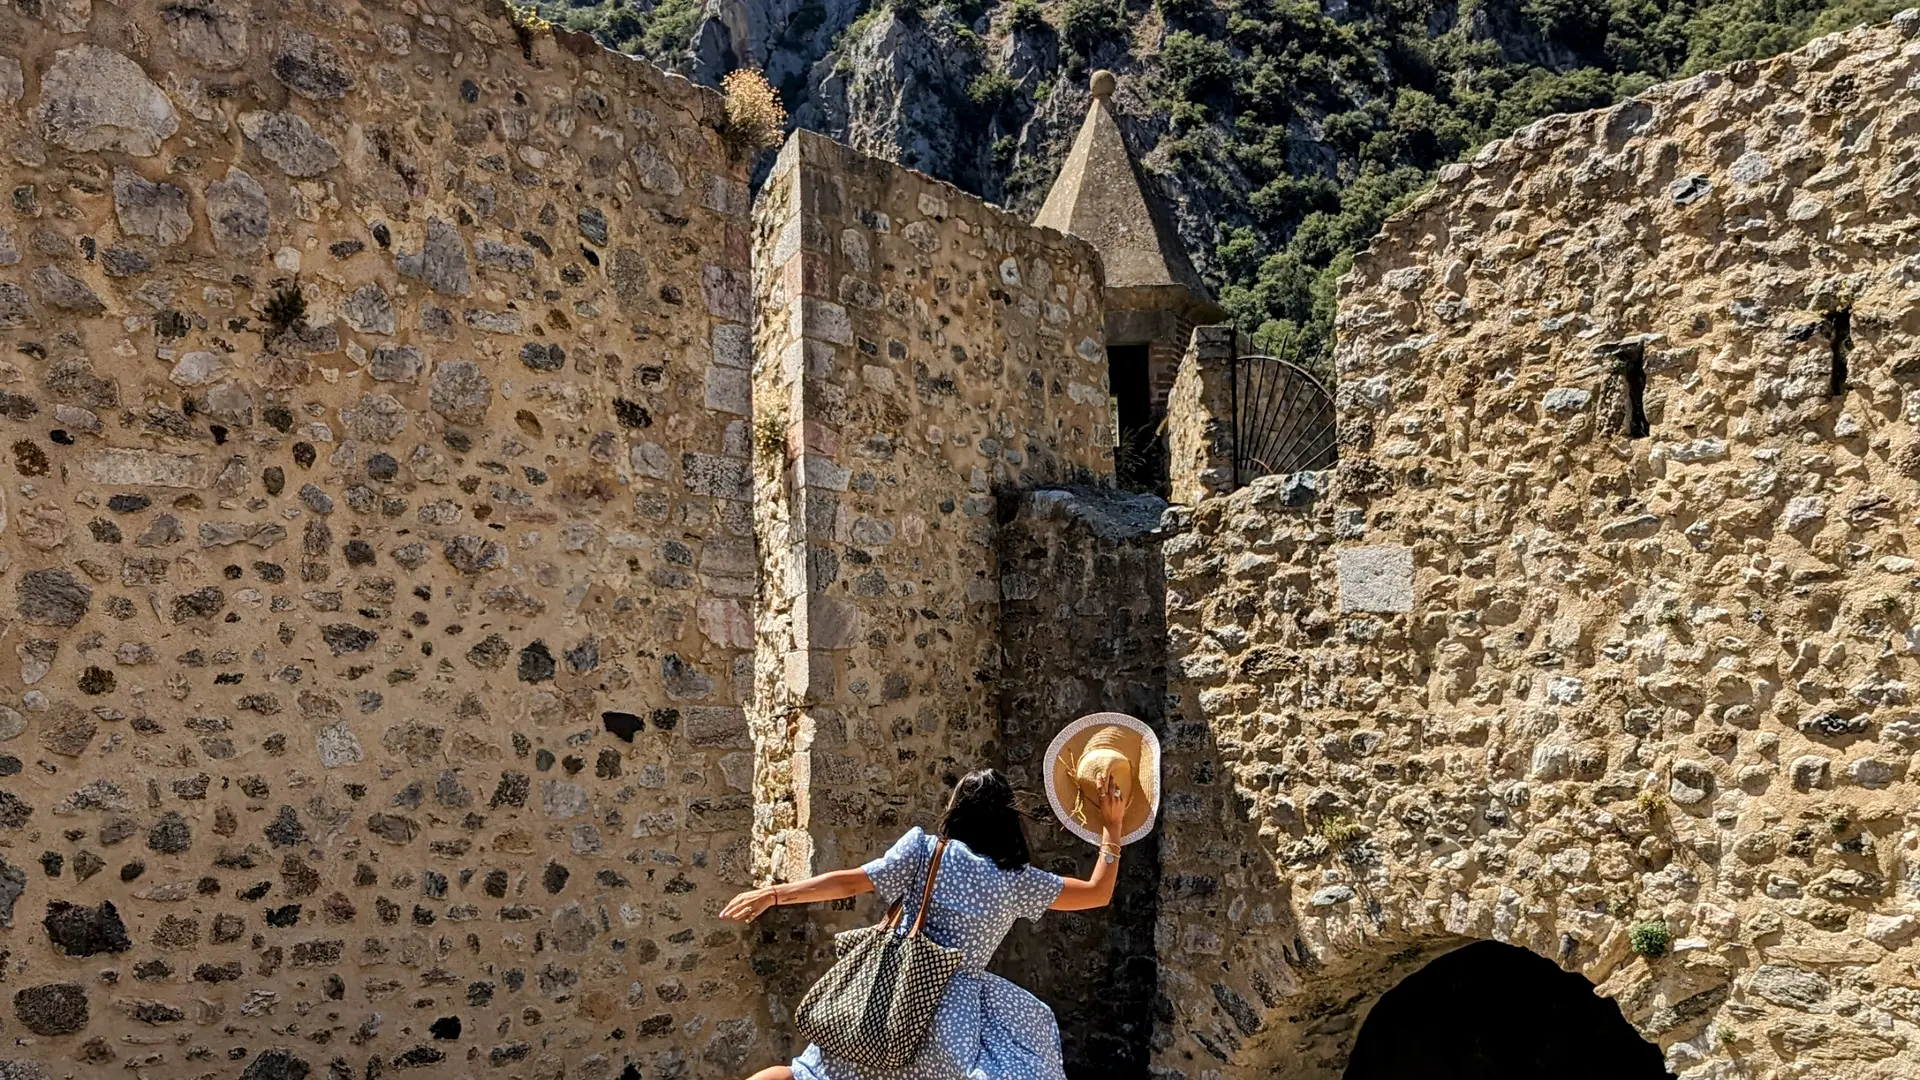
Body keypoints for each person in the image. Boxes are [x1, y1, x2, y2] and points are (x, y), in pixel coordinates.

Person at [720, 767, 1129, 1080]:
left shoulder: (924, 850)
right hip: (950, 1021)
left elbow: (850, 880)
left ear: (956, 811)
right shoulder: (1016, 880)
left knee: (806, 1074)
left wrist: (774, 894)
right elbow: (1098, 892)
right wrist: (1112, 829)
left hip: (886, 996)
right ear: (1008, 821)